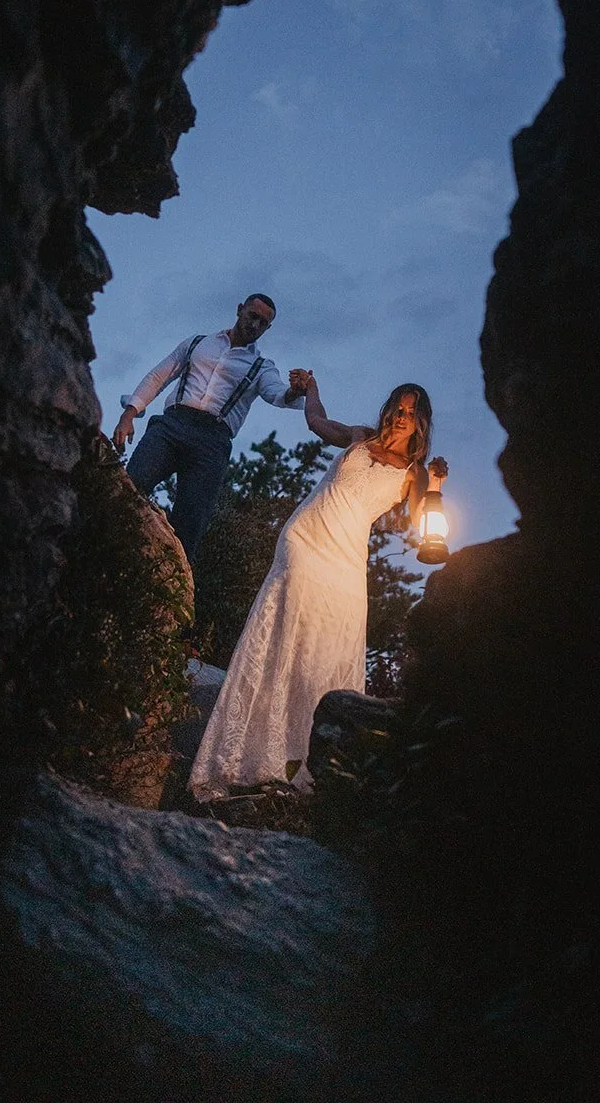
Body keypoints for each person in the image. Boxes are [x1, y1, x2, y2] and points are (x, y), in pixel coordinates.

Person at [188, 377, 448, 801]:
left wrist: (435, 485)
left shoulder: (413, 474)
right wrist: (311, 388)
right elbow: (316, 421)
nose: (401, 418)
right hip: (305, 541)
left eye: (410, 413)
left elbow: (419, 524)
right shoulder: (359, 438)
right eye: (397, 409)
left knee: (324, 650)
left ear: (421, 422)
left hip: (346, 563)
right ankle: (243, 763)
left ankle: (308, 772)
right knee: (283, 640)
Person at [111, 293, 307, 566]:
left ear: (267, 328)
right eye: (253, 316)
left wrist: (295, 391)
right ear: (240, 310)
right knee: (128, 486)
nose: (255, 325)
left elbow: (277, 394)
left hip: (212, 441)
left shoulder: (261, 366)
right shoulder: (197, 343)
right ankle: (107, 551)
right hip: (172, 424)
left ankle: (172, 589)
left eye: (263, 323)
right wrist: (129, 414)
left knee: (190, 524)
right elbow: (160, 375)